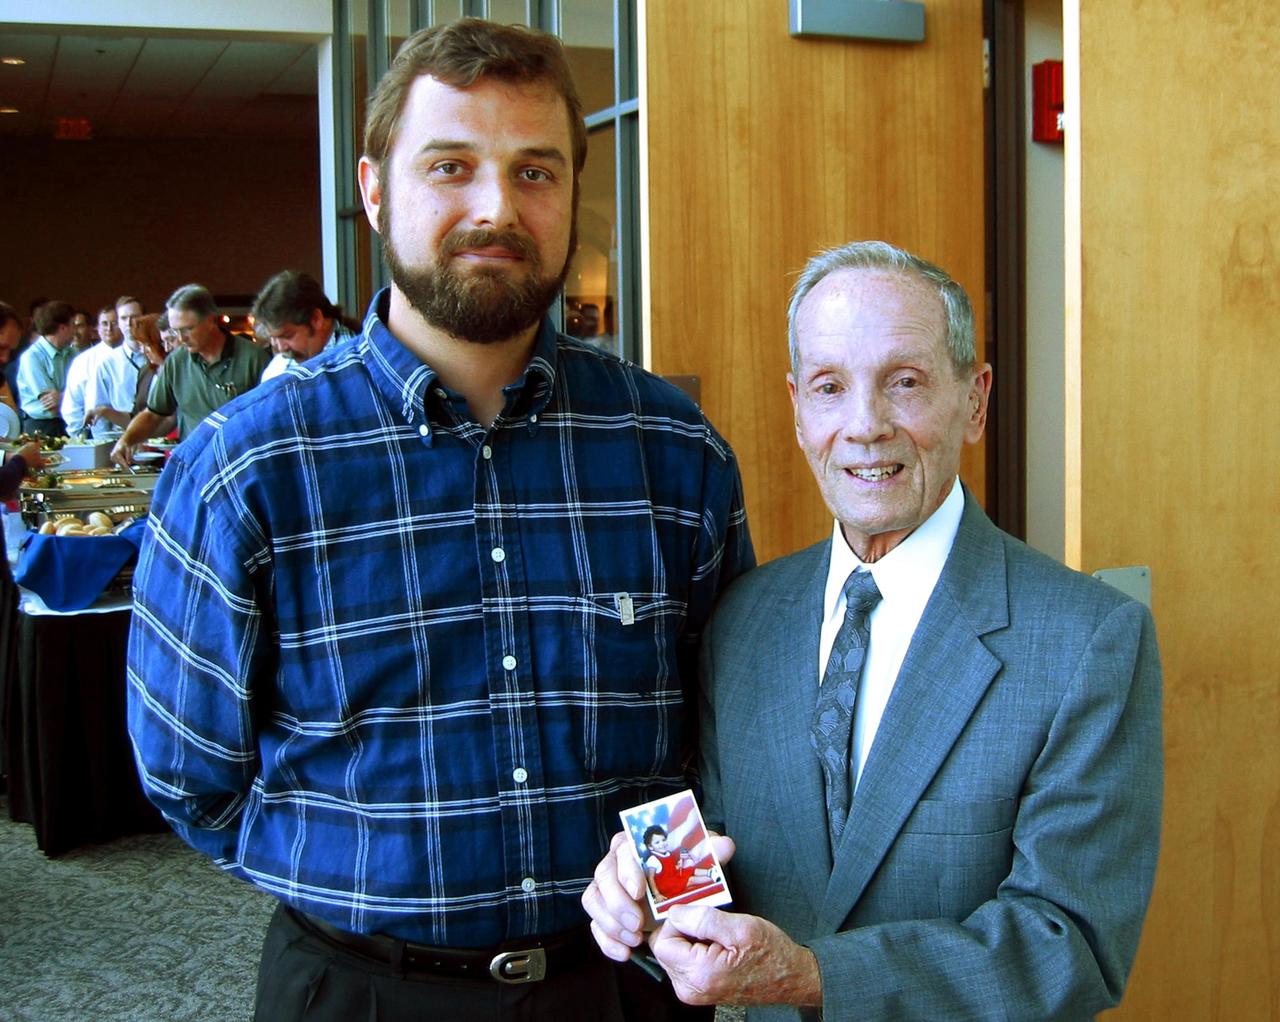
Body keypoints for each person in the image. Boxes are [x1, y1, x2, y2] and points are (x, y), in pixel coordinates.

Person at [127, 18, 753, 1022]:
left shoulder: (671, 451)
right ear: (376, 192)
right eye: (450, 165)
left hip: (626, 989)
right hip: (359, 988)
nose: (495, 207)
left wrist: (673, 914)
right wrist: (353, 875)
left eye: (535, 172)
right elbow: (188, 775)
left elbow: (720, 745)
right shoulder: (246, 466)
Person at [582, 241, 1163, 1021]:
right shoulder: (743, 620)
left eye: (906, 383)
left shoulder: (1089, 642)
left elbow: (1071, 945)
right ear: (797, 410)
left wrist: (816, 977)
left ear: (976, 400)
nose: (865, 426)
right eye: (829, 387)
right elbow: (714, 860)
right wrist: (648, 892)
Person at [110, 284, 269, 465]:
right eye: (175, 330)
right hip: (194, 466)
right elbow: (154, 414)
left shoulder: (253, 358)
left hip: (241, 464)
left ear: (211, 320)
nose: (180, 338)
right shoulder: (177, 361)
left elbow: (269, 420)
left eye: (187, 329)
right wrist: (127, 439)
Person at [252, 269, 359, 382]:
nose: (281, 348)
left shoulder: (355, 361)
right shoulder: (277, 368)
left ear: (316, 319)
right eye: (273, 338)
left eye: (288, 336)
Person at [62, 299, 132, 437]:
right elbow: (72, 404)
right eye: (104, 324)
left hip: (131, 432)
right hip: (95, 437)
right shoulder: (82, 361)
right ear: (97, 328)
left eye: (114, 323)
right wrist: (81, 436)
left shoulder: (135, 356)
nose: (109, 329)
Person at [85, 296, 151, 435]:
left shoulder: (159, 356)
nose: (129, 323)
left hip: (157, 434)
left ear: (145, 319)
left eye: (134, 317)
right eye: (123, 318)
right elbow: (99, 411)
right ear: (119, 323)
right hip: (121, 436)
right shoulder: (107, 363)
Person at [16, 300, 77, 436]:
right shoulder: (32, 357)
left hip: (69, 423)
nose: (76, 331)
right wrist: (73, 397)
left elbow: (87, 393)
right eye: (73, 325)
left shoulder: (73, 354)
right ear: (62, 328)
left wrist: (62, 396)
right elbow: (51, 406)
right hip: (41, 427)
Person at [642, 827, 715, 900]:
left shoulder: (668, 853)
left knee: (691, 869)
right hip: (666, 886)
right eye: (657, 842)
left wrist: (678, 866)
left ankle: (711, 872)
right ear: (650, 847)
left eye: (663, 840)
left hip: (673, 877)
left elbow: (670, 869)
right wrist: (657, 894)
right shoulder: (653, 859)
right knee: (690, 880)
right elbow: (650, 878)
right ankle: (713, 878)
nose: (662, 844)